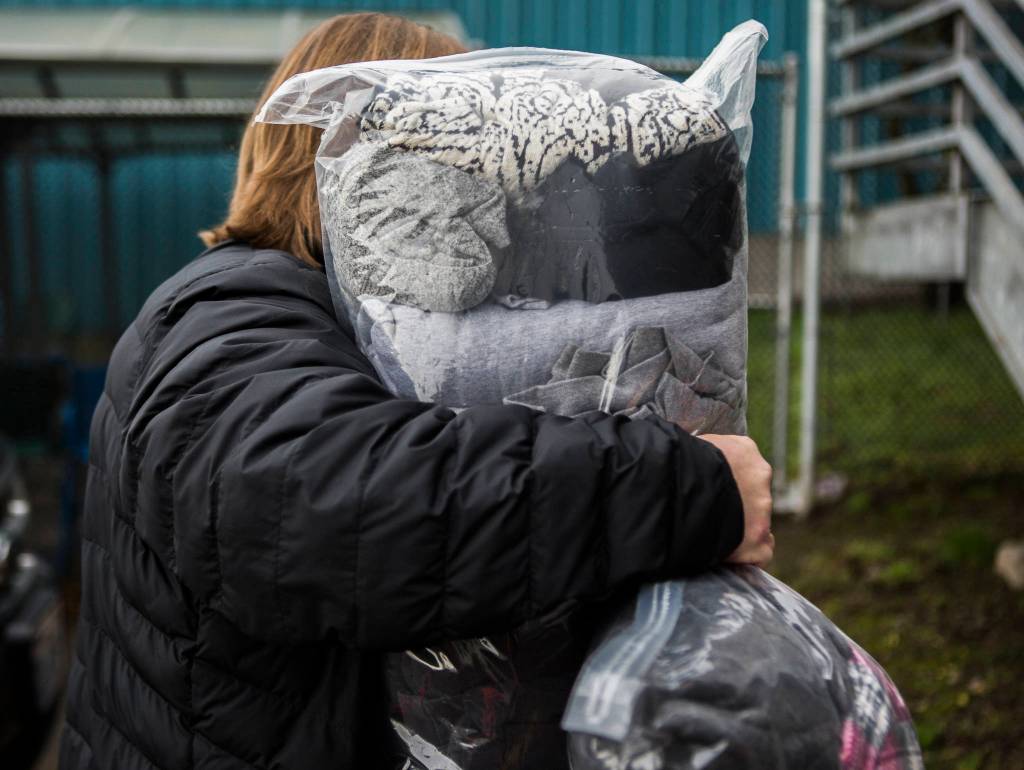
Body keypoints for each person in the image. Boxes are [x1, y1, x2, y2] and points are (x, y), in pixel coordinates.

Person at [59, 12, 773, 770]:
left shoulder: (331, 318)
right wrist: (687, 489)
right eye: (468, 152)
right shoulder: (228, 311)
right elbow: (324, 507)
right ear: (359, 156)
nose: (499, 191)